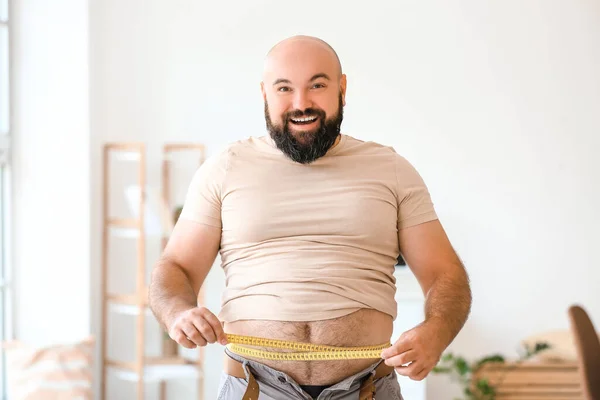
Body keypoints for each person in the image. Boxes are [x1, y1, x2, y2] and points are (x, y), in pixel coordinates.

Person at [148, 35, 472, 400]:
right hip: (254, 388)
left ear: (342, 88)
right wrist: (178, 312)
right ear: (265, 94)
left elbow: (446, 274)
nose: (301, 103)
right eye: (284, 88)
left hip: (367, 389)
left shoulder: (392, 170)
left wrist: (436, 331)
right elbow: (176, 266)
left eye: (317, 85)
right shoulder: (224, 170)